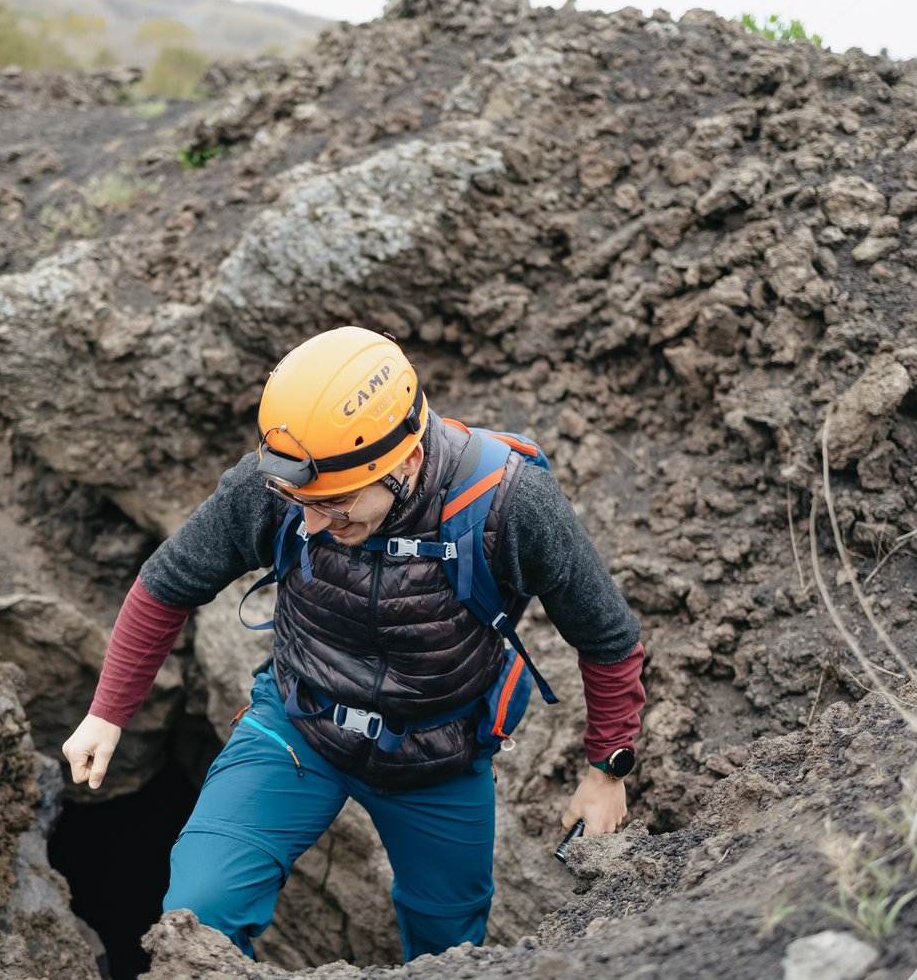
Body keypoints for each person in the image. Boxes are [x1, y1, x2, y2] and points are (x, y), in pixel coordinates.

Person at [61, 325, 646, 962]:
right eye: (302, 502)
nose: (311, 522)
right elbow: (167, 584)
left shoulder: (509, 504)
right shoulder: (280, 485)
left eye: (336, 506)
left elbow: (607, 637)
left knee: (450, 946)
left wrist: (606, 770)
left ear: (408, 463)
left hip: (437, 751)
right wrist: (107, 712)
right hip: (299, 722)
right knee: (198, 917)